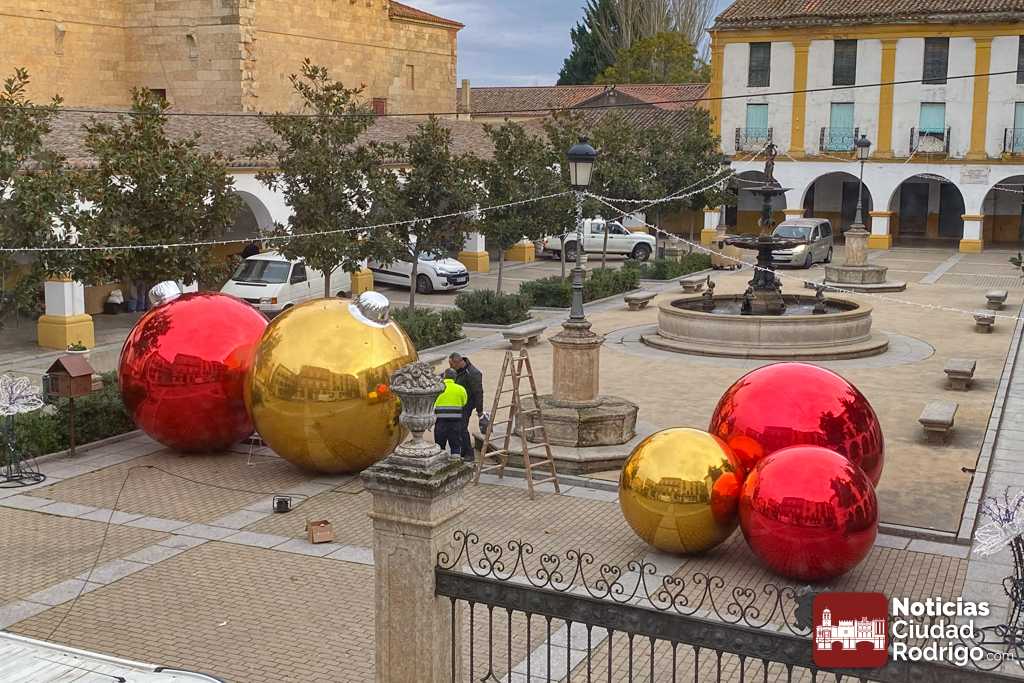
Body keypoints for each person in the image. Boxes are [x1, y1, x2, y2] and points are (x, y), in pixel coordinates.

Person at [449, 352, 484, 459]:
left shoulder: (473, 373)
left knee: (462, 427)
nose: (450, 367)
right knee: (457, 428)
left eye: (451, 364)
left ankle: (469, 453)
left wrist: (479, 411)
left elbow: (478, 393)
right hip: (458, 403)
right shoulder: (457, 371)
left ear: (458, 362)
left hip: (467, 404)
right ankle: (463, 451)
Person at [433, 369, 468, 458]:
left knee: (439, 445)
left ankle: (440, 461)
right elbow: (464, 402)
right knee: (455, 445)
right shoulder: (461, 389)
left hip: (440, 421)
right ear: (455, 378)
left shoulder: (438, 389)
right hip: (456, 421)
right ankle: (455, 461)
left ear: (444, 377)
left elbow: (432, 403)